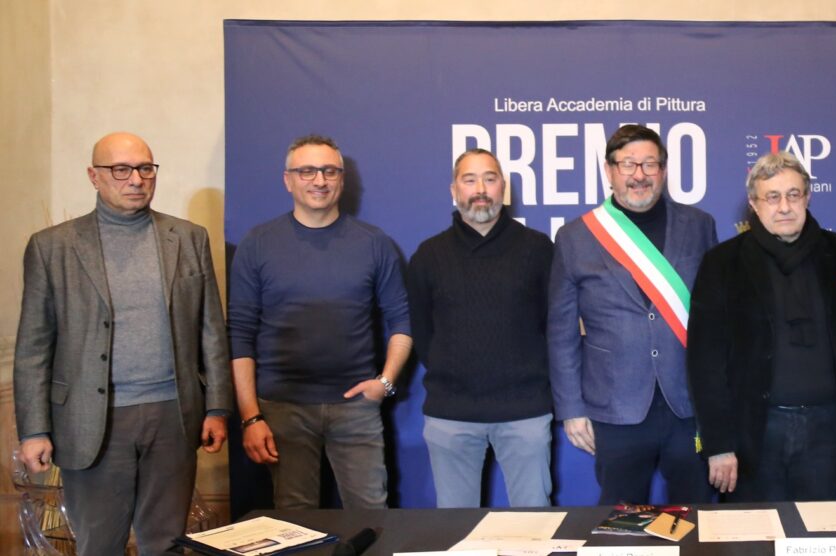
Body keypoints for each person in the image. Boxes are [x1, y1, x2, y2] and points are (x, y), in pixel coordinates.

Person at [14, 132, 232, 554]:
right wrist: (35, 430)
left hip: (173, 417)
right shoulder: (52, 247)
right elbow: (33, 348)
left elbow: (211, 330)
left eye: (145, 168)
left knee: (165, 543)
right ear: (94, 176)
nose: (136, 179)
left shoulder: (189, 238)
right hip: (91, 423)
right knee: (100, 545)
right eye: (121, 170)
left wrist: (217, 408)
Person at [687, 152, 836, 502]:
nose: (784, 207)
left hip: (828, 431)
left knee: (817, 530)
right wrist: (718, 444)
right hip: (754, 433)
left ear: (807, 197)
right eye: (772, 197)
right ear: (754, 204)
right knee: (754, 531)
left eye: (793, 195)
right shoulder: (723, 263)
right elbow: (705, 362)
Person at [228, 134, 412, 509]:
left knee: (372, 514)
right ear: (288, 180)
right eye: (307, 171)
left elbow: (401, 322)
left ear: (341, 179)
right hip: (282, 408)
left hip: (356, 408)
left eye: (329, 171)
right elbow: (240, 334)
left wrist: (385, 382)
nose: (319, 180)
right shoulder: (258, 244)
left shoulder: (374, 243)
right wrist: (250, 417)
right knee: (295, 523)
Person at [549, 124, 716, 504]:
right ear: (609, 171)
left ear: (664, 170)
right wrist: (571, 408)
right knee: (620, 521)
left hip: (688, 403)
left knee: (696, 517)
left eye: (649, 164)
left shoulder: (699, 226)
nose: (639, 175)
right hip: (615, 407)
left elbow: (717, 319)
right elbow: (561, 332)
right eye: (628, 164)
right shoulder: (575, 237)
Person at [407, 148, 555, 508]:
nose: (480, 190)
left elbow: (555, 325)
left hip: (525, 411)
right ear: (453, 190)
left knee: (535, 523)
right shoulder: (429, 255)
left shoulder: (538, 249)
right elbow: (422, 332)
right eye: (469, 180)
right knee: (455, 527)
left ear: (503, 187)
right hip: (451, 413)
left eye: (489, 179)